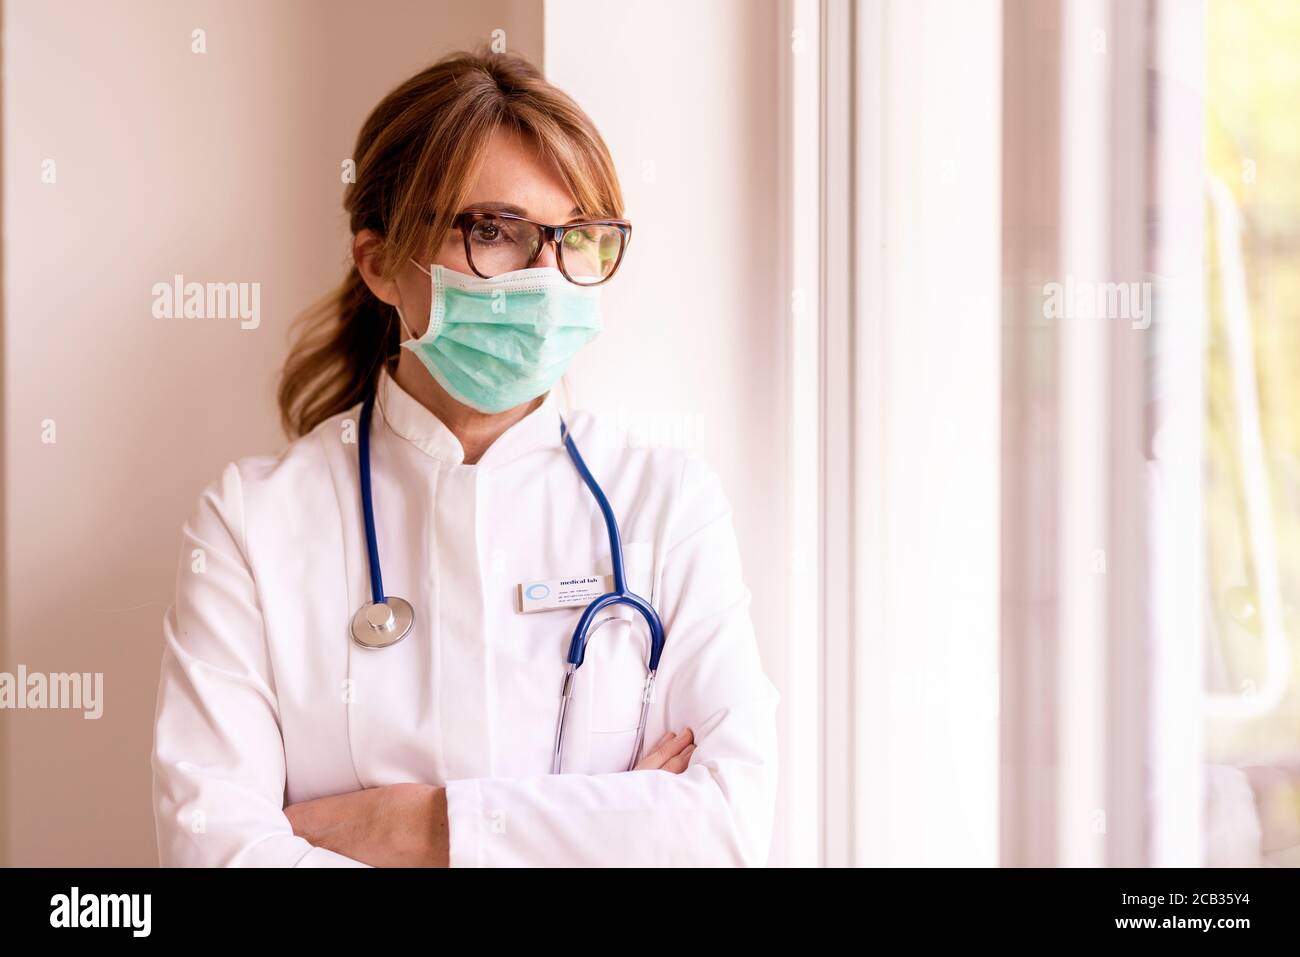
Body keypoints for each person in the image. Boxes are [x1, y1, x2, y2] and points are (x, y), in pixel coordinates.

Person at [151, 48, 779, 867]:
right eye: (494, 230)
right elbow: (217, 852)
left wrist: (420, 827)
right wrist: (612, 820)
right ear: (379, 262)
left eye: (578, 239)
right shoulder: (251, 524)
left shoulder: (667, 503)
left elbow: (725, 831)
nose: (548, 278)